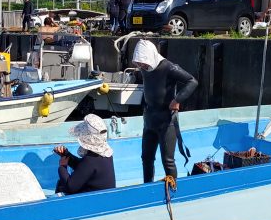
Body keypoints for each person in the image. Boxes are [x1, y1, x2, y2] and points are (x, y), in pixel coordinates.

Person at [132, 39, 198, 183]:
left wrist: (177, 100)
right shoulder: (145, 68)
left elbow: (192, 81)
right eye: (139, 63)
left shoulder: (169, 67)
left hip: (167, 121)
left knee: (167, 160)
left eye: (143, 62)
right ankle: (147, 186)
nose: (141, 65)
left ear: (150, 56)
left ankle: (172, 189)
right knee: (146, 158)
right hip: (149, 119)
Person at [53, 113, 116, 195]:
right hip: (105, 197)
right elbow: (83, 169)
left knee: (61, 185)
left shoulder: (90, 160)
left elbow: (70, 187)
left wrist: (62, 167)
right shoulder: (105, 155)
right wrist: (66, 155)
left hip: (92, 201)